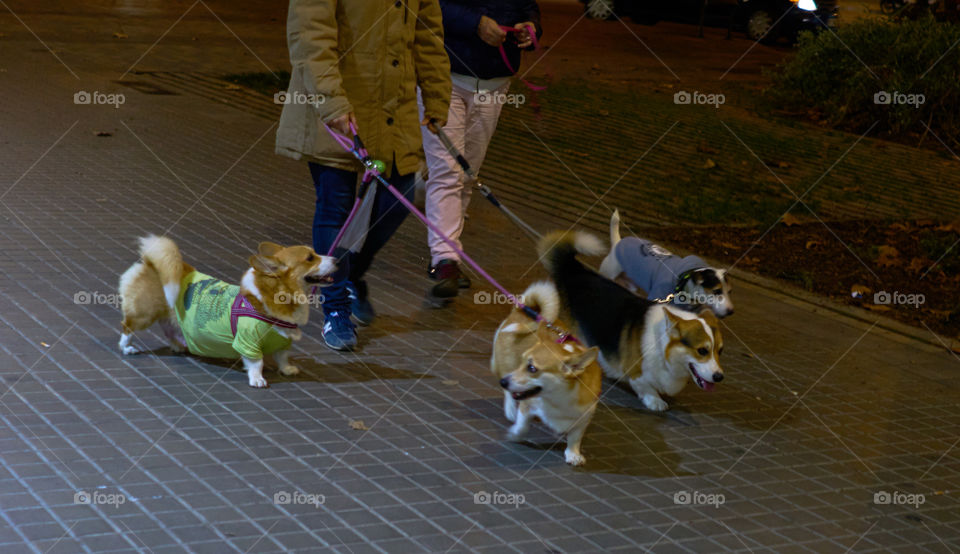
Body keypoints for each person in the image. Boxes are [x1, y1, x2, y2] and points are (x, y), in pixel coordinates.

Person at [276, 1, 451, 350]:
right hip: (336, 107)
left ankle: (350, 271)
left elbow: (428, 34)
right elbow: (310, 35)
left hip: (392, 110)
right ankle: (335, 307)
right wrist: (332, 102)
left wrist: (436, 95)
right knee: (335, 207)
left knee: (403, 192)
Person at [420, 0, 542, 302]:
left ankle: (444, 240)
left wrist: (531, 28)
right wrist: (475, 24)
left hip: (495, 85)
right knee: (449, 170)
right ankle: (446, 259)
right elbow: (428, 7)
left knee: (466, 173)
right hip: (444, 78)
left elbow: (527, 6)